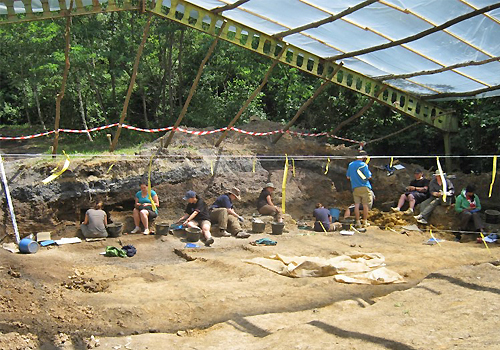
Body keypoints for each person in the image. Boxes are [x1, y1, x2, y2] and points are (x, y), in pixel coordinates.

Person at [346, 150, 373, 228]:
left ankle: (358, 222)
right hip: (364, 186)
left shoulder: (351, 165)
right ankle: (364, 221)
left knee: (356, 205)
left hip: (355, 187)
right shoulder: (363, 165)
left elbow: (348, 177)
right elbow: (368, 176)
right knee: (365, 205)